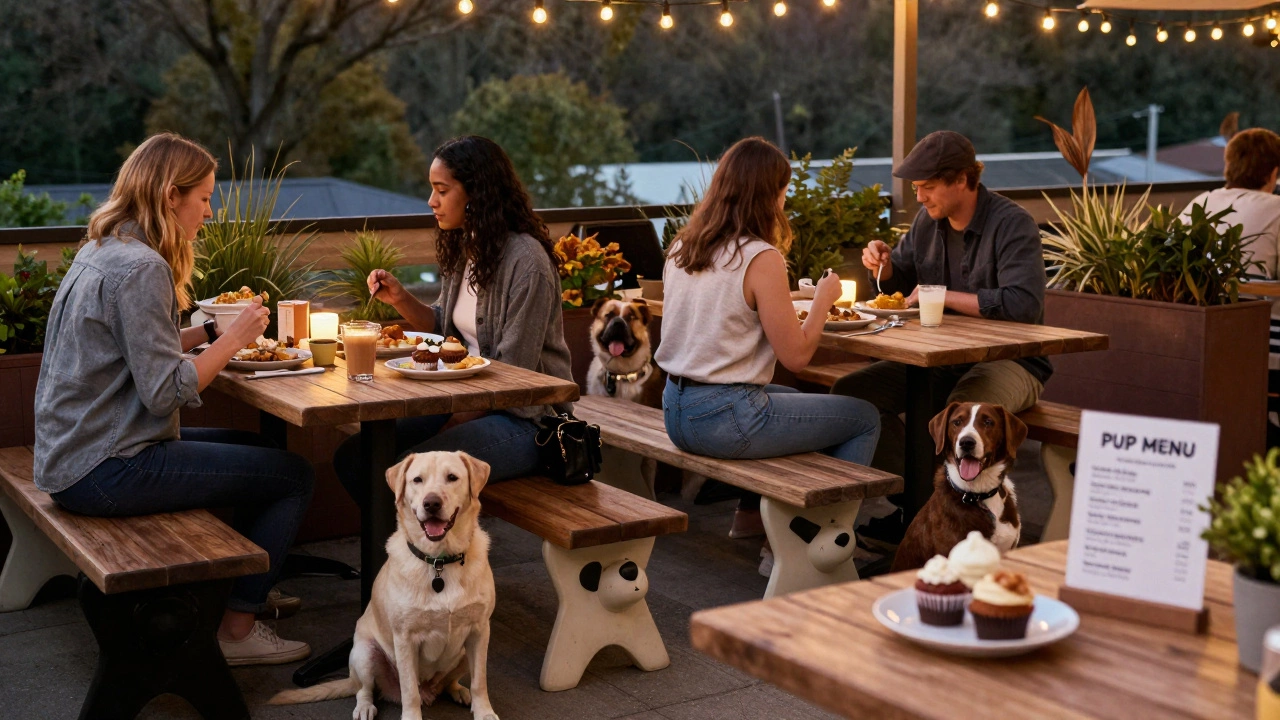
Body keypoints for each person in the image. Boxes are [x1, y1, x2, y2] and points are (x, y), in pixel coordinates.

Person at [33, 133, 314, 666]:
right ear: (169, 195)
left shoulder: (102, 248)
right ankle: (237, 627)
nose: (209, 211)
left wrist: (208, 332)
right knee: (292, 476)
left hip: (72, 456)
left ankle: (244, 586)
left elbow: (135, 352)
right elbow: (164, 393)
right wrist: (233, 339)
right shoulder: (142, 268)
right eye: (204, 198)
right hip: (106, 468)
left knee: (254, 449)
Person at [654, 136, 881, 575]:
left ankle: (756, 521)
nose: (784, 199)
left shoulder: (683, 248)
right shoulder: (760, 256)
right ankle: (817, 543)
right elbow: (797, 357)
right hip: (725, 419)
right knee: (864, 416)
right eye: (782, 189)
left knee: (784, 399)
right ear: (768, 193)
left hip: (677, 411)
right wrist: (823, 300)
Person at [831, 130, 1049, 541]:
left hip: (1012, 360)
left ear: (963, 180)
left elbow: (1024, 305)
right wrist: (881, 264)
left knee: (959, 415)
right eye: (916, 188)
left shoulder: (1012, 223)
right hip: (939, 358)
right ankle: (918, 505)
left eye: (927, 187)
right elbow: (902, 280)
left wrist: (945, 296)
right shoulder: (926, 223)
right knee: (852, 394)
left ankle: (955, 522)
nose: (919, 197)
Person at [333, 135, 573, 504]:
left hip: (527, 421)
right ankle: (403, 558)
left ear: (477, 193)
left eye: (441, 190)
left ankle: (418, 558)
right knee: (354, 456)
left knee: (405, 473)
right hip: (462, 400)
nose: (432, 201)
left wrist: (451, 419)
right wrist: (400, 297)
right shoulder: (470, 247)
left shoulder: (527, 264)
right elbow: (443, 329)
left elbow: (514, 376)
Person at [1179, 128, 1280, 424]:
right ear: (1274, 172)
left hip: (1195, 337)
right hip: (1257, 342)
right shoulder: (1277, 209)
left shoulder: (1200, 203)